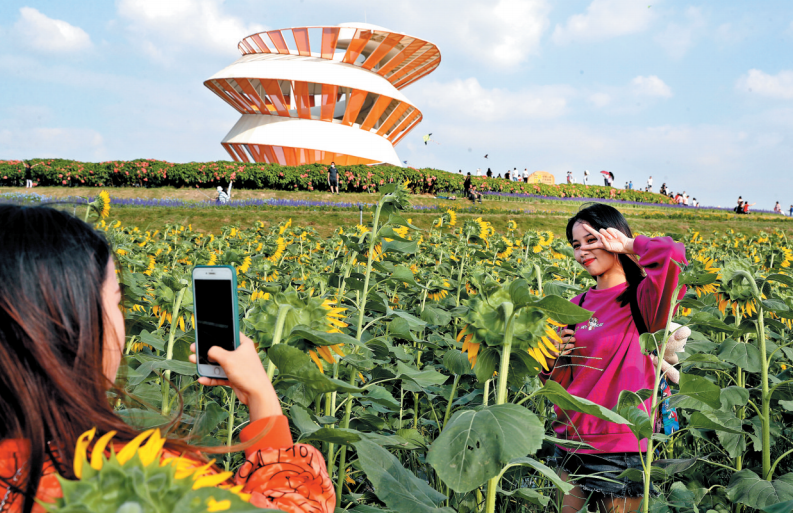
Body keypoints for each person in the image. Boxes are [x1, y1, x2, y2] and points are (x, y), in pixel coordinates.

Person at [0, 205, 335, 513]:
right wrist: (262, 398)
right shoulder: (138, 483)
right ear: (76, 326)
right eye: (117, 301)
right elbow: (298, 506)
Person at [542, 203, 686, 513]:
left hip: (621, 442)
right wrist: (551, 358)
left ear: (612, 236)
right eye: (576, 245)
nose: (582, 251)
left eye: (591, 240)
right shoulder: (573, 305)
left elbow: (673, 254)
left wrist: (630, 245)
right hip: (572, 436)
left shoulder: (643, 297)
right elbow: (559, 381)